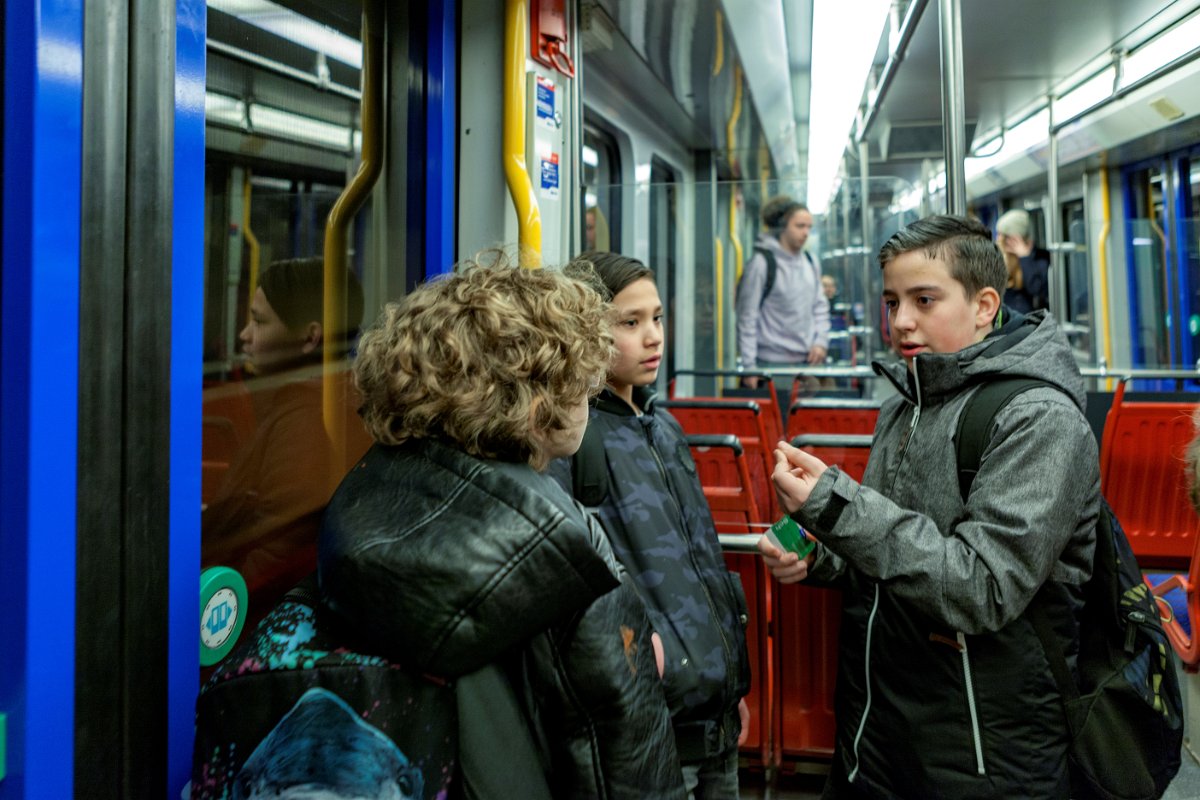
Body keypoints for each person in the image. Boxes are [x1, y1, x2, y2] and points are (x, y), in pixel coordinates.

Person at [758, 215, 1101, 799]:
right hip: (877, 725)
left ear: (985, 304)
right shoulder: (907, 402)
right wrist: (821, 557)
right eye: (892, 302)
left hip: (982, 748)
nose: (901, 322)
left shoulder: (1038, 420)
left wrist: (840, 508)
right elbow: (896, 557)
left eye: (924, 300)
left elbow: (982, 586)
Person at [318, 259, 686, 799]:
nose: (589, 390)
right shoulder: (568, 547)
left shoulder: (363, 501)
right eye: (579, 377)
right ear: (538, 399)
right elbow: (628, 767)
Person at [552, 251, 751, 799]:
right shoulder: (573, 441)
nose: (653, 337)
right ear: (586, 332)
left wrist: (728, 681)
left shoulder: (664, 429)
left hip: (713, 713)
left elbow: (700, 564)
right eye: (630, 322)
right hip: (648, 724)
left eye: (657, 318)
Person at [202, 257, 364, 617]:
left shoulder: (308, 424)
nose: (244, 335)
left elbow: (275, 559)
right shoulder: (331, 401)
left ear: (310, 337)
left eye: (258, 322)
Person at [736, 195, 830, 389]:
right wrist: (749, 367)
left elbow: (820, 306)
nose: (806, 233)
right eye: (799, 226)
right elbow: (747, 317)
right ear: (782, 227)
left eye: (809, 227)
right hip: (770, 365)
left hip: (807, 363)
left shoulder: (811, 262)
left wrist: (820, 342)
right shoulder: (762, 264)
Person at [995, 208, 1050, 314]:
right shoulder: (999, 257)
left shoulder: (1040, 259)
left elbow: (1037, 289)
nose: (999, 239)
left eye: (1004, 236)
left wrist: (1025, 257)